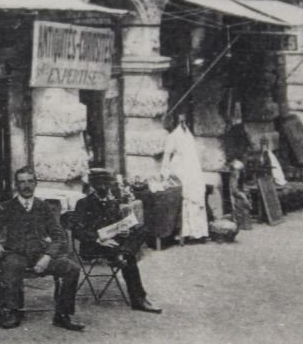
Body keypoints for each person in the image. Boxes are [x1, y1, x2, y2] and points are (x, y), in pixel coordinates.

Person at [0, 168, 84, 331]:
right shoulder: (7, 207)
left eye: (30, 181)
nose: (26, 185)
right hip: (16, 254)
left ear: (35, 183)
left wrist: (47, 257)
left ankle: (62, 315)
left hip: (41, 254)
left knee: (71, 269)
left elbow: (58, 235)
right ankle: (13, 311)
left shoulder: (44, 207)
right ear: (16, 185)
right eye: (22, 182)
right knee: (10, 265)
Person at [72, 169, 162, 313]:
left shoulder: (113, 203)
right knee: (130, 258)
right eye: (98, 183)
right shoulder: (83, 203)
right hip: (93, 246)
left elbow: (118, 226)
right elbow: (77, 230)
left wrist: (125, 231)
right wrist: (98, 239)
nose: (103, 186)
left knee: (142, 230)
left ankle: (123, 254)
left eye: (105, 183)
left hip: (114, 245)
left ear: (110, 184)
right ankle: (139, 300)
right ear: (92, 184)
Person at [162, 112, 209, 242]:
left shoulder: (189, 135)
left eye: (184, 118)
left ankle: (196, 231)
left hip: (192, 168)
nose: (183, 120)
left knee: (195, 195)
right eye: (180, 118)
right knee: (184, 197)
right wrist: (165, 173)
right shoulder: (172, 137)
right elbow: (167, 156)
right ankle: (183, 231)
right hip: (179, 168)